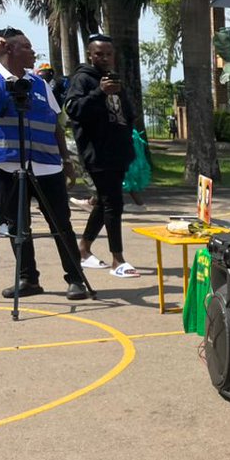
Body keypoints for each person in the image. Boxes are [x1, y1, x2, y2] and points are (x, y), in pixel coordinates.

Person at [0, 28, 86, 300]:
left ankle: (76, 278)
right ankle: (27, 278)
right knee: (17, 226)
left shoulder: (40, 84)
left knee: (61, 224)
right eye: (27, 47)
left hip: (47, 166)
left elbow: (55, 123)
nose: (33, 52)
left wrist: (66, 159)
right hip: (8, 167)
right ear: (9, 51)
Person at [64, 34, 139, 278]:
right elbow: (73, 109)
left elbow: (128, 115)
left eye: (108, 54)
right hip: (97, 152)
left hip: (118, 152)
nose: (104, 58)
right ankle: (118, 259)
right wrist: (99, 92)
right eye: (99, 54)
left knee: (106, 202)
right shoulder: (83, 79)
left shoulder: (114, 80)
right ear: (90, 55)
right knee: (113, 204)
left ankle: (83, 249)